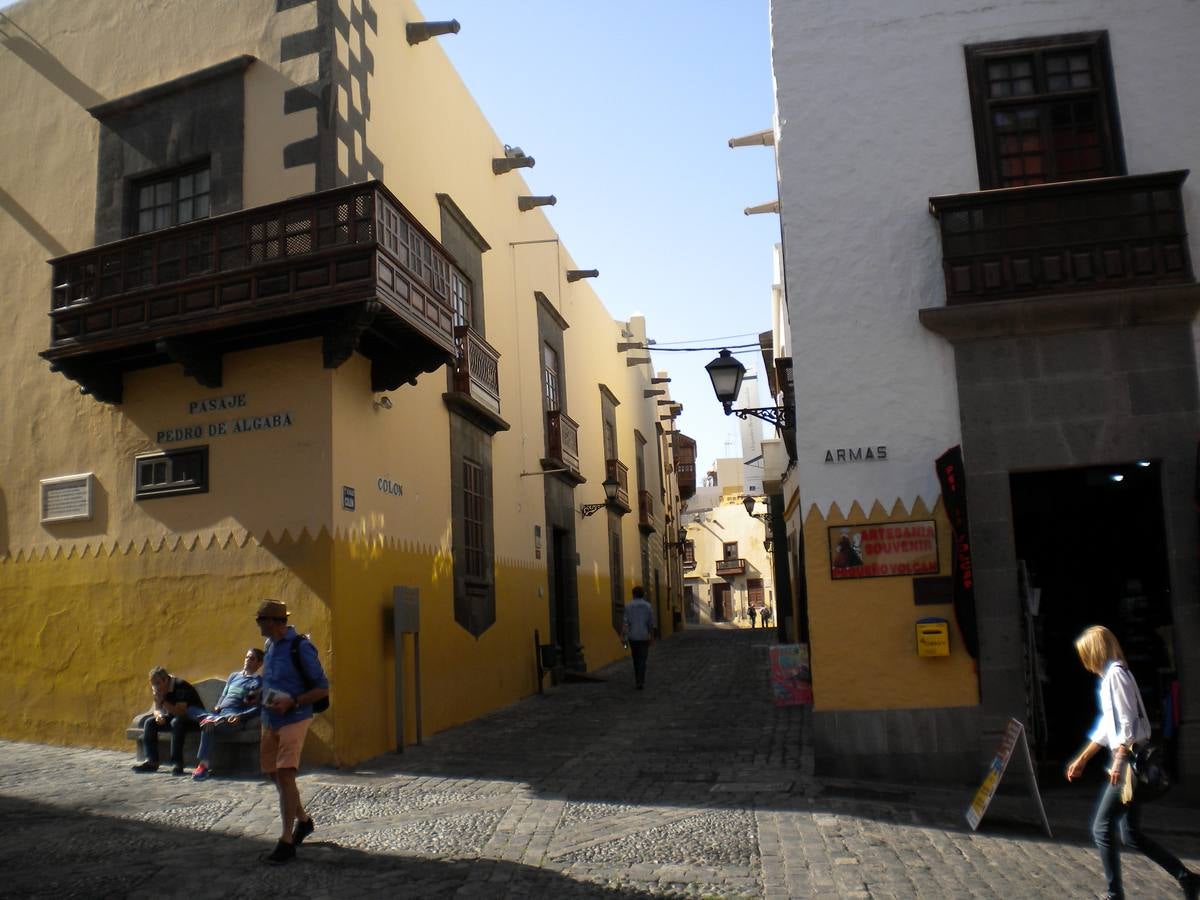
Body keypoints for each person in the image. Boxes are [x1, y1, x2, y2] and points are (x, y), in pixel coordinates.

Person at [1065, 625, 1198, 900]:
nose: (1083, 661)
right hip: (1127, 759)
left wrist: (1118, 759)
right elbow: (1107, 726)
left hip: (1128, 763)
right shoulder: (1111, 676)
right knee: (1131, 834)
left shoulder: (1115, 675)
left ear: (1094, 650)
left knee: (1101, 827)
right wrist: (1082, 759)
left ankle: (1115, 895)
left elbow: (1126, 721)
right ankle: (1187, 878)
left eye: (1084, 654)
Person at [256, 599, 329, 865]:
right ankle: (304, 821)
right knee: (274, 774)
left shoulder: (301, 647)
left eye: (260, 620)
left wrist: (294, 702)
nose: (258, 625)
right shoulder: (270, 646)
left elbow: (322, 688)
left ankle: (286, 841)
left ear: (274, 622)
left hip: (295, 718)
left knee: (286, 775)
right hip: (269, 718)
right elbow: (272, 680)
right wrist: (259, 694)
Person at [192, 647, 264, 781]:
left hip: (234, 718)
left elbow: (257, 708)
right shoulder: (234, 676)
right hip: (219, 715)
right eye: (247, 657)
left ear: (259, 664)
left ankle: (203, 766)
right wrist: (218, 705)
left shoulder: (257, 683)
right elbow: (224, 694)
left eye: (252, 658)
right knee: (195, 713)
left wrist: (240, 716)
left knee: (208, 724)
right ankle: (208, 719)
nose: (247, 660)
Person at [131, 666, 206, 775]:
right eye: (153, 684)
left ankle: (177, 763)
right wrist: (158, 716)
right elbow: (157, 709)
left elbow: (181, 713)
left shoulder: (181, 686)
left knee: (176, 722)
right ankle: (152, 762)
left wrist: (163, 701)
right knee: (150, 723)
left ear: (166, 680)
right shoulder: (158, 688)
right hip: (175, 717)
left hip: (193, 720)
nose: (155, 687)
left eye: (157, 683)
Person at [621, 586, 655, 690]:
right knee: (643, 660)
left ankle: (638, 680)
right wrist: (652, 637)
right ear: (643, 594)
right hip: (644, 636)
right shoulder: (648, 606)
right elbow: (650, 623)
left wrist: (624, 637)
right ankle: (641, 680)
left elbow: (626, 623)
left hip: (633, 637)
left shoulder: (628, 606)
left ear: (633, 594)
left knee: (635, 659)